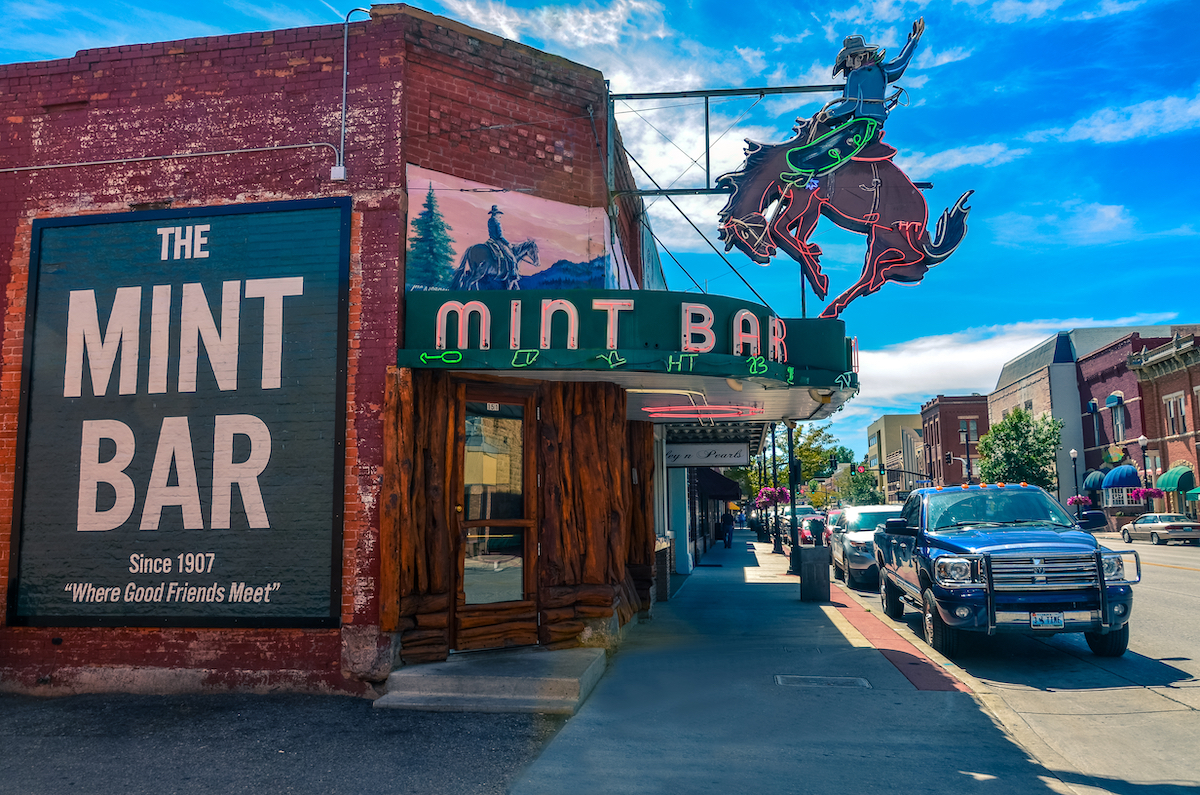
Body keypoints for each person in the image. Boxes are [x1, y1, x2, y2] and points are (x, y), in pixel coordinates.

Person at [486, 205, 517, 281]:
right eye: (499, 214)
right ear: (496, 214)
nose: (500, 215)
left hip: (491, 240)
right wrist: (507, 243)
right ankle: (513, 275)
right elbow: (500, 236)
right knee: (512, 258)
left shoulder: (490, 221)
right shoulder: (497, 222)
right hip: (498, 241)